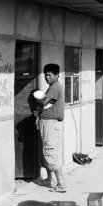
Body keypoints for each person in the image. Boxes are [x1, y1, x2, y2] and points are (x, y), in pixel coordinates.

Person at [34, 63, 66, 193]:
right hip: (46, 123)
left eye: (49, 75)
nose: (47, 77)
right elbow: (46, 104)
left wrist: (38, 99)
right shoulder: (52, 87)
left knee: (50, 153)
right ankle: (48, 179)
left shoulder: (55, 87)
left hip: (51, 125)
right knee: (46, 152)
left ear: (57, 75)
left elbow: (44, 102)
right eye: (45, 75)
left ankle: (61, 184)